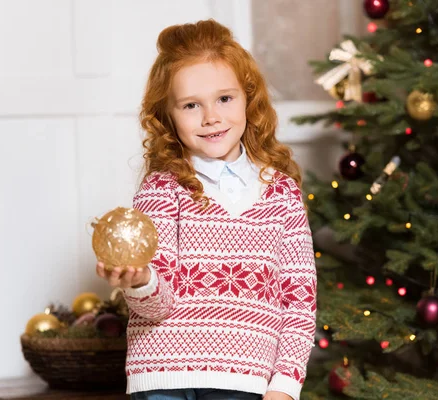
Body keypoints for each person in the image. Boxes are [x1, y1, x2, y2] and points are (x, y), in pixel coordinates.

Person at [96, 19, 317, 400]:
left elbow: (299, 300)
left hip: (245, 382)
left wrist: (285, 385)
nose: (211, 117)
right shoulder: (161, 189)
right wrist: (139, 280)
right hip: (164, 376)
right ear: (168, 116)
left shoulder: (281, 194)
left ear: (249, 98)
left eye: (225, 99)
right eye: (191, 105)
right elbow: (157, 305)